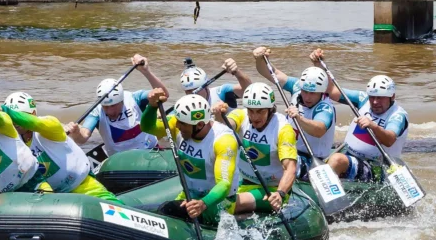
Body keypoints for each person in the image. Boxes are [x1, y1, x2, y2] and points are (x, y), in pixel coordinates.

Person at [140, 91, 240, 225]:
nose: (177, 126)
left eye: (182, 124)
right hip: (188, 195)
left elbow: (224, 184)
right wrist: (151, 106)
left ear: (199, 125)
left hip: (217, 203)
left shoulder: (223, 140)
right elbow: (148, 127)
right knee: (148, 212)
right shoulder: (180, 124)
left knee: (167, 210)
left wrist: (203, 203)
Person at [2, 91, 121, 201]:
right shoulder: (11, 141)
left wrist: (5, 111)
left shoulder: (50, 125)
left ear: (33, 114)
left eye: (19, 117)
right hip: (53, 196)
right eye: (11, 119)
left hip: (82, 186)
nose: (15, 122)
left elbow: (34, 123)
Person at [308, 57, 410, 184]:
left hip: (377, 168)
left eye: (380, 98)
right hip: (351, 156)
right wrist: (319, 66)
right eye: (372, 97)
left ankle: (325, 195)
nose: (375, 102)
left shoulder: (398, 116)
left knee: (337, 160)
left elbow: (389, 139)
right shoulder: (363, 99)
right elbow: (331, 90)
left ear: (392, 96)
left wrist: (373, 126)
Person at [216, 82, 298, 215]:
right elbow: (226, 126)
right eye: (251, 111)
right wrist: (219, 115)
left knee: (225, 206)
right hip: (244, 183)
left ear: (270, 109)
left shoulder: (283, 129)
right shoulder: (241, 115)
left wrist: (280, 193)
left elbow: (290, 168)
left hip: (270, 190)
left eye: (260, 111)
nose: (254, 117)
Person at [66, 54, 170, 154]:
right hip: (120, 160)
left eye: (113, 105)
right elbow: (83, 137)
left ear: (122, 100)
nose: (110, 111)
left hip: (150, 151)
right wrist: (76, 133)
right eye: (105, 106)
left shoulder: (135, 98)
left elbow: (164, 94)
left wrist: (146, 71)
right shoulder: (96, 110)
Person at [251, 47, 336, 165]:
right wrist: (260, 59)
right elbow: (271, 73)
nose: (307, 97)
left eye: (312, 93)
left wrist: (298, 118)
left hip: (312, 159)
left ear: (321, 92)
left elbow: (319, 130)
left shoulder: (325, 107)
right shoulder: (296, 87)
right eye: (305, 91)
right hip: (289, 150)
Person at [179, 58, 252, 106]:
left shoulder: (222, 92)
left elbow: (249, 91)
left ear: (206, 86)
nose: (193, 93)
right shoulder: (183, 105)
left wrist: (236, 72)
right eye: (188, 91)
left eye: (197, 89)